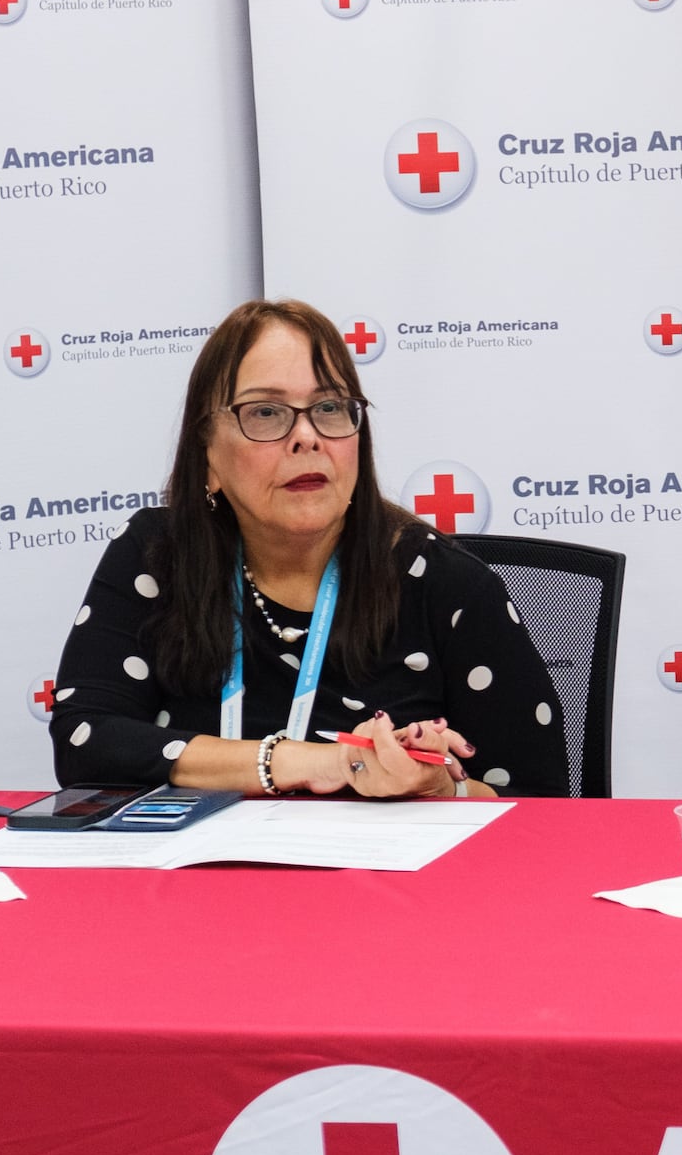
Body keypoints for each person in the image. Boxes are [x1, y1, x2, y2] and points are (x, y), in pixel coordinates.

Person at [50, 299, 568, 798]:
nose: (307, 437)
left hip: (384, 882)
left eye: (328, 408)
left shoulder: (446, 585)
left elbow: (539, 802)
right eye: (267, 413)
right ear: (206, 452)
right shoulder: (158, 555)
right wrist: (316, 762)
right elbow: (87, 743)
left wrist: (440, 786)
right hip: (200, 878)